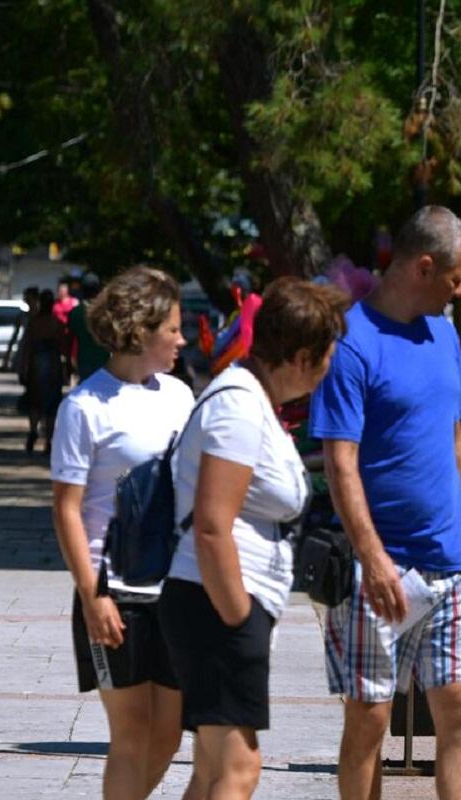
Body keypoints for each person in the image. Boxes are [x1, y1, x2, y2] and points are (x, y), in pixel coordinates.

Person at [310, 205, 461, 800]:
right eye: (455, 279)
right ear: (423, 267)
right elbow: (340, 462)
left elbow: (455, 440)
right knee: (370, 720)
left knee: (460, 708)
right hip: (376, 571)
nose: (459, 292)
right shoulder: (351, 342)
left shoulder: (443, 335)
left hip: (450, 562)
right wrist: (373, 558)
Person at [159, 277, 347, 800]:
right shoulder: (239, 406)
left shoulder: (251, 401)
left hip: (216, 600)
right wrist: (240, 615)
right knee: (239, 769)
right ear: (302, 357)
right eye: (327, 357)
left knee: (211, 771)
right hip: (215, 602)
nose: (329, 369)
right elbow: (212, 524)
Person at [49, 266, 193, 799]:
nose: (182, 339)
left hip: (175, 587)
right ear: (141, 329)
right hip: (115, 590)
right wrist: (93, 596)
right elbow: (66, 509)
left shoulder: (180, 395)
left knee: (169, 733)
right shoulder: (84, 407)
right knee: (132, 733)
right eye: (173, 328)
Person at [23, 289, 66, 453]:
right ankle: (48, 439)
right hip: (52, 365)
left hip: (36, 364)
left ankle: (33, 430)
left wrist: (25, 368)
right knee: (51, 405)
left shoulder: (34, 323)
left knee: (35, 402)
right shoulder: (57, 323)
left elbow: (28, 346)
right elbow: (63, 347)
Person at [68, 273, 111, 381]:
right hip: (104, 361)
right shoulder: (106, 311)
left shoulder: (76, 312)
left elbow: (70, 338)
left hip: (84, 361)